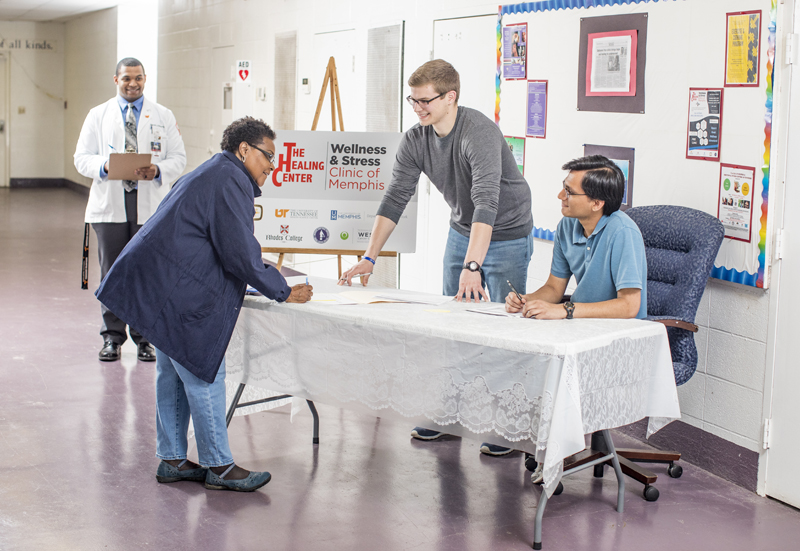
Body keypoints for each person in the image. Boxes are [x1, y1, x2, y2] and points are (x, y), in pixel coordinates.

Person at [96, 117, 313, 492]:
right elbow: (239, 252)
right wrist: (282, 289)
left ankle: (173, 459)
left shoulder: (215, 172)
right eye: (268, 156)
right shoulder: (230, 180)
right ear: (244, 150)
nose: (273, 165)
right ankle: (220, 466)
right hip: (175, 289)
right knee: (201, 373)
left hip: (160, 283)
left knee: (171, 372)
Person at [339, 59, 534, 455]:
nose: (418, 108)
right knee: (452, 322)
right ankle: (449, 415)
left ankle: (507, 424)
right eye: (413, 101)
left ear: (451, 97)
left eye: (425, 101)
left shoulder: (477, 131)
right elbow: (396, 197)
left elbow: (487, 203)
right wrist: (370, 258)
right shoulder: (417, 139)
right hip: (464, 230)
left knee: (505, 328)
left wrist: (473, 266)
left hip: (508, 231)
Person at [74, 57, 186, 363]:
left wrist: (159, 170)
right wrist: (105, 165)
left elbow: (179, 157)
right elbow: (80, 158)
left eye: (138, 78)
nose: (133, 83)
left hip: (149, 206)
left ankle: (144, 338)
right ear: (116, 80)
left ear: (145, 79)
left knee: (147, 274)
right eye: (126, 79)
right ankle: (112, 338)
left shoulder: (162, 115)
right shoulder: (98, 115)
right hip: (110, 207)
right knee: (112, 273)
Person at [505, 155, 646, 322]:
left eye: (569, 192)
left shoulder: (623, 232)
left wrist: (566, 310)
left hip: (621, 331)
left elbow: (629, 306)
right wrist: (527, 301)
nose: (560, 196)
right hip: (582, 323)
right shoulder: (566, 226)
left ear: (596, 203)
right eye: (563, 188)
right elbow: (554, 288)